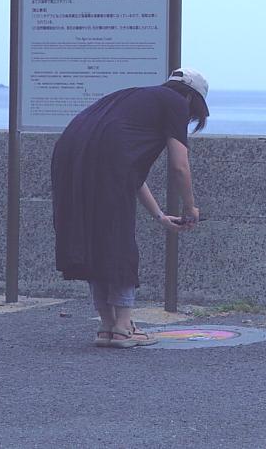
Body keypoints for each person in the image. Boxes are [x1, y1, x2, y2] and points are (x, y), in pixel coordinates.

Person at [50, 67, 210, 349]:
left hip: (70, 155)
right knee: (118, 240)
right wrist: (191, 206)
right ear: (191, 100)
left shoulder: (133, 98)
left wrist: (159, 215)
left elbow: (129, 172)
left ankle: (107, 326)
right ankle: (124, 327)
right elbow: (179, 165)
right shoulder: (175, 104)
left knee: (93, 240)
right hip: (101, 159)